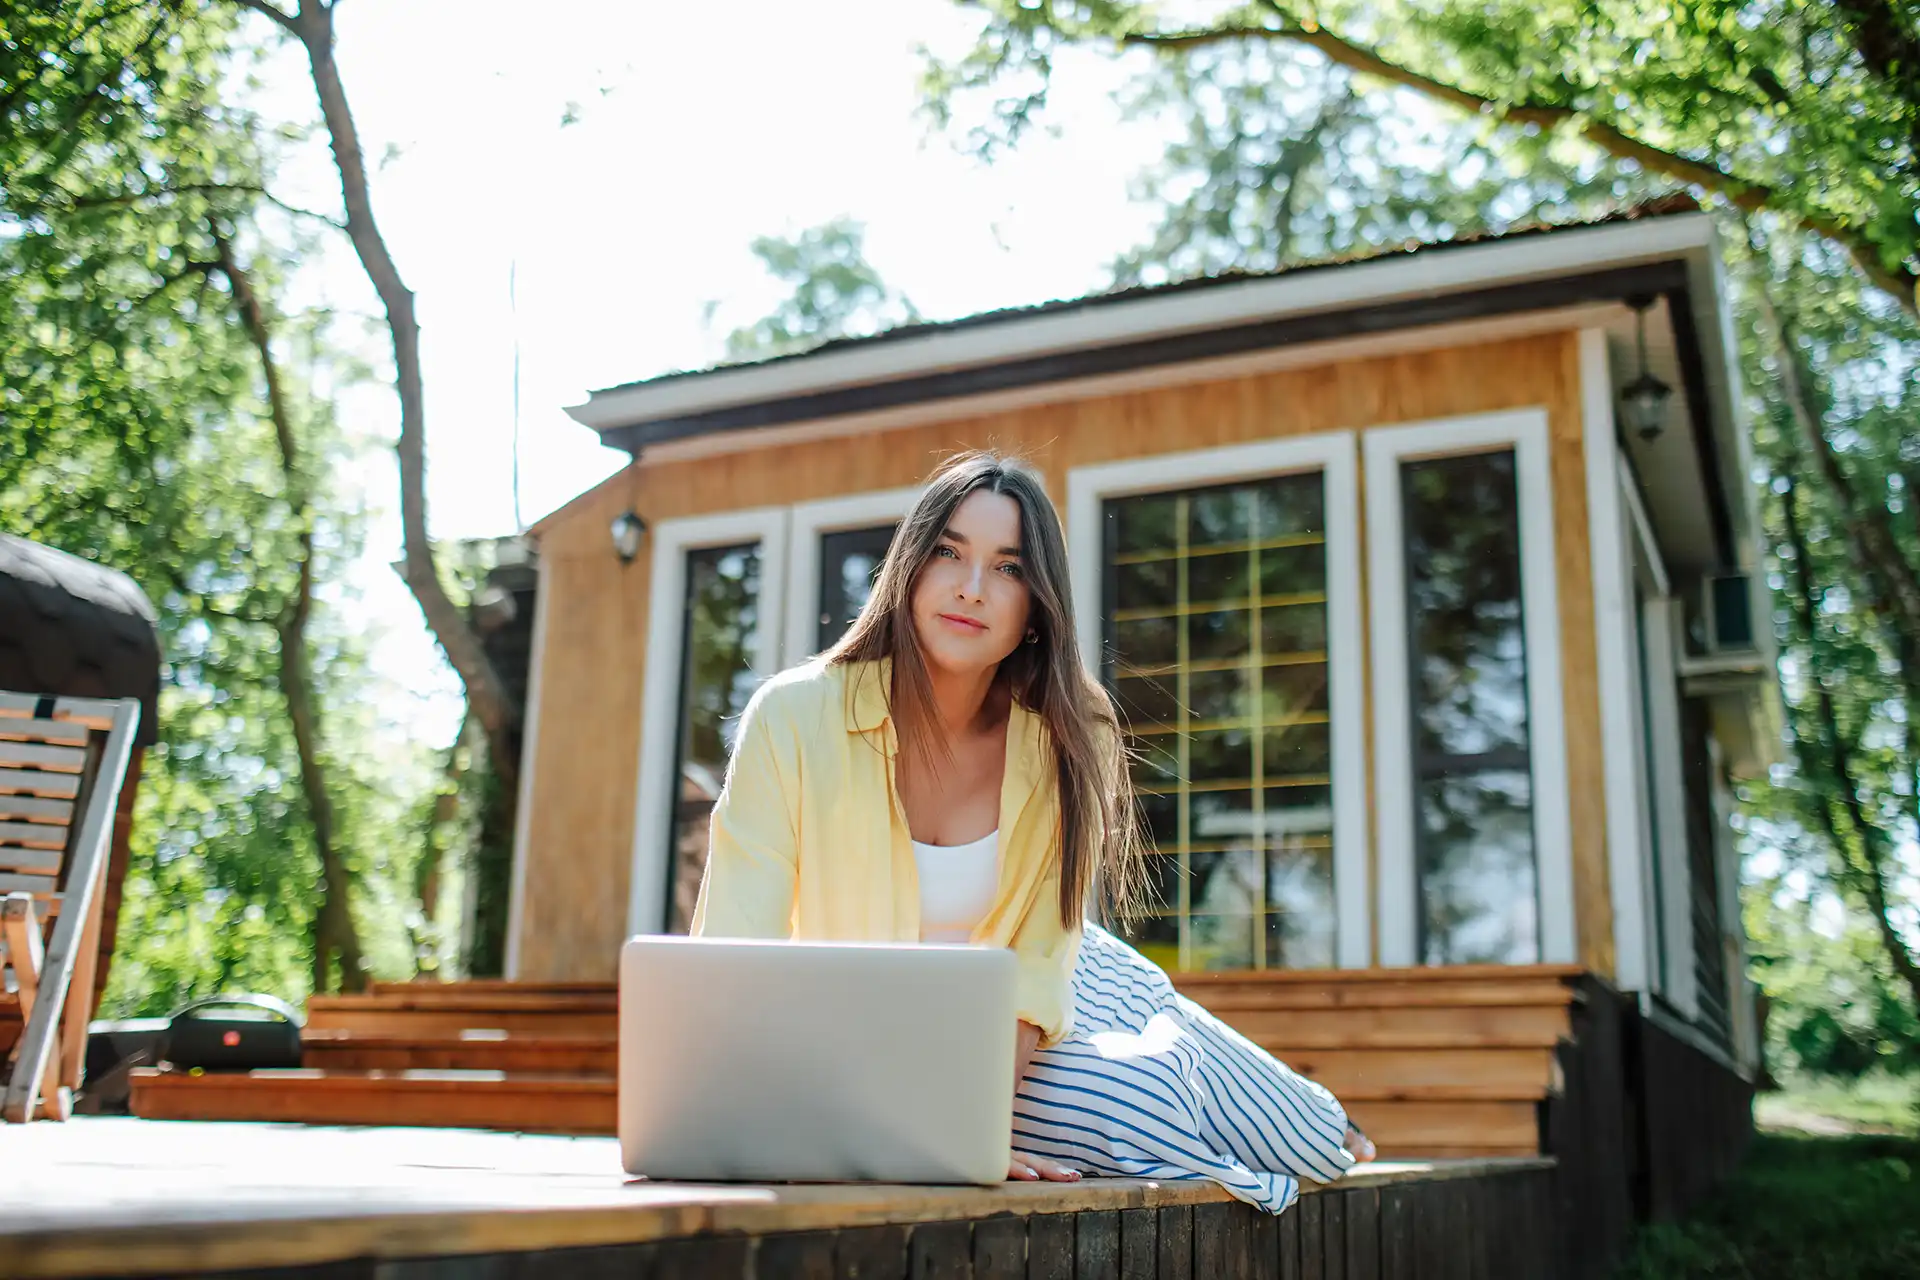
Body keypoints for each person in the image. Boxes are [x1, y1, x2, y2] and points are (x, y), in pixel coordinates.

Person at [691, 451, 1373, 1214]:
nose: (971, 588)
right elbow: (733, 950)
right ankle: (1224, 1090)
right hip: (879, 1054)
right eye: (948, 553)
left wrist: (968, 1124)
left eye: (1008, 568)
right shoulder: (794, 716)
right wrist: (928, 1137)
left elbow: (1041, 961)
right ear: (909, 568)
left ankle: (1318, 1117)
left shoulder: (1066, 733)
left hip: (1047, 998)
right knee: (1139, 1098)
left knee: (1316, 1144)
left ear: (1036, 606)